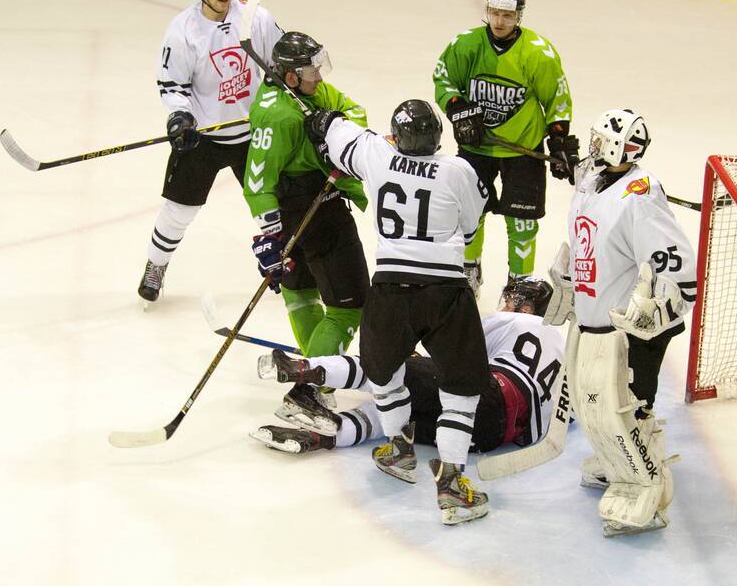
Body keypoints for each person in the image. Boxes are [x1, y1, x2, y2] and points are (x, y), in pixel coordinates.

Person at [304, 99, 492, 525]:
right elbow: (471, 225)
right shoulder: (457, 170)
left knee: (382, 370)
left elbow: (332, 129)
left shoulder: (377, 154)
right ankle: (451, 482)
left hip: (390, 288)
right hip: (446, 290)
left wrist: (321, 118)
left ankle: (399, 447)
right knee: (462, 387)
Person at [545, 108, 697, 537]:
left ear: (617, 145)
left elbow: (675, 259)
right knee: (591, 399)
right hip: (597, 315)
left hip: (635, 322)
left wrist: (662, 307)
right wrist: (566, 281)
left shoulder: (640, 193)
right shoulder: (592, 180)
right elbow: (583, 239)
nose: (592, 146)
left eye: (598, 139)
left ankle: (645, 484)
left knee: (624, 403)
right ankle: (618, 461)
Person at [251, 277, 565, 463]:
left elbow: (454, 350)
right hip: (492, 437)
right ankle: (329, 433)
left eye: (512, 302)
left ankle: (304, 371)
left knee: (386, 369)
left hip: (489, 395)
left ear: (527, 309)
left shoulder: (516, 321)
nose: (505, 307)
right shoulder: (565, 348)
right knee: (397, 418)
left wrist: (409, 351)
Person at [242, 30, 371, 424]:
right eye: (310, 69)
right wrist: (269, 236)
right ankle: (308, 390)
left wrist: (332, 126)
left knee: (302, 297)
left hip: (301, 207)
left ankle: (314, 379)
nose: (319, 75)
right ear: (290, 75)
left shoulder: (313, 95)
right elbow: (257, 180)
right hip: (315, 209)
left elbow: (356, 110)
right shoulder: (277, 114)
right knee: (350, 309)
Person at [138, 0, 283, 303]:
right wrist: (180, 118)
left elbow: (280, 63)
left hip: (252, 133)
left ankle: (292, 267)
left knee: (273, 208)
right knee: (178, 211)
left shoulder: (254, 19)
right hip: (202, 137)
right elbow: (173, 86)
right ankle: (156, 266)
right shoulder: (183, 31)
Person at [433, 0, 579, 296]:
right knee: (470, 214)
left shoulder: (538, 53)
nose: (499, 21)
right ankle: (469, 271)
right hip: (476, 148)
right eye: (495, 13)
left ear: (519, 17)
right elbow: (444, 79)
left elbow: (557, 98)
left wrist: (558, 138)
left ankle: (519, 285)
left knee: (523, 222)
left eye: (507, 15)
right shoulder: (466, 44)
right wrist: (457, 107)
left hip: (523, 151)